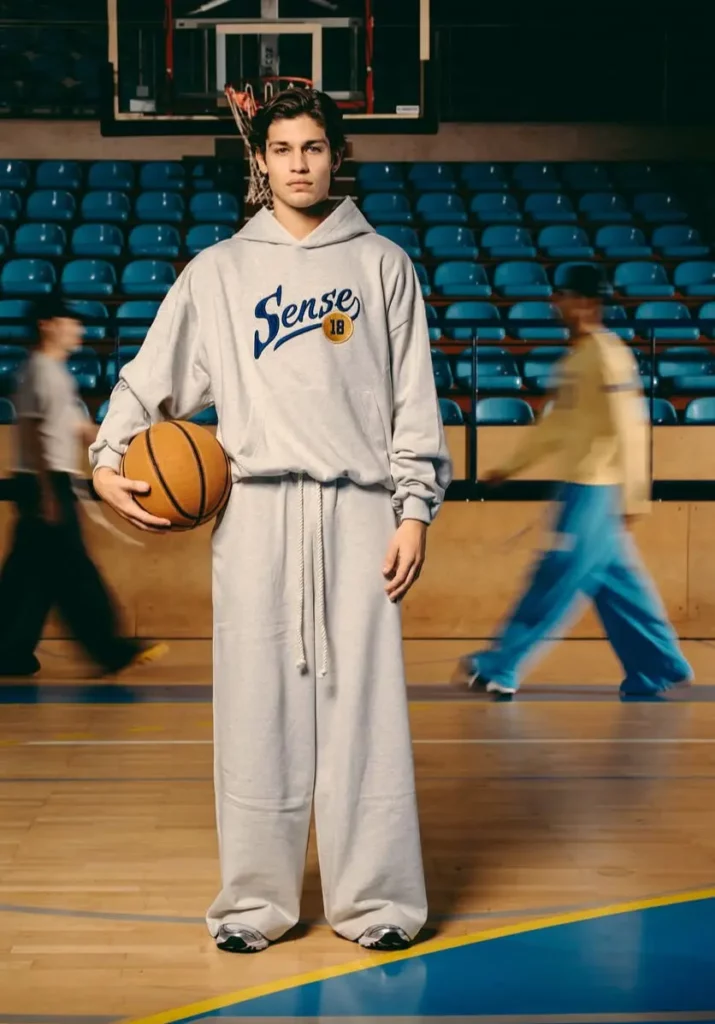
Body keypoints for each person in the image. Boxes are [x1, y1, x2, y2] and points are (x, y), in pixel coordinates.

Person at [90, 88, 452, 953]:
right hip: (252, 515)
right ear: (259, 161)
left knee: (365, 715)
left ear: (337, 157)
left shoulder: (382, 266)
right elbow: (150, 379)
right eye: (282, 147)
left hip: (361, 510)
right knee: (257, 716)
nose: (298, 162)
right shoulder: (218, 271)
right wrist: (108, 459)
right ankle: (255, 905)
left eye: (314, 146)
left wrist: (414, 510)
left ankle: (378, 904)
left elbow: (413, 404)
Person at [452, 263, 692, 700]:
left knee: (556, 576)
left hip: (597, 491)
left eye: (562, 295)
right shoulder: (578, 357)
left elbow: (631, 426)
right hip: (580, 488)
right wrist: (510, 466)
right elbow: (556, 427)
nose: (554, 302)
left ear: (585, 302)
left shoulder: (607, 354)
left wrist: (636, 495)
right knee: (619, 587)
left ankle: (501, 666)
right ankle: (658, 666)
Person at [0, 296, 167, 677]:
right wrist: (45, 491)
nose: (79, 329)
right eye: (70, 321)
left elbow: (80, 430)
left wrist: (135, 448)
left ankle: (9, 652)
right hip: (43, 484)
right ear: (48, 325)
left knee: (31, 578)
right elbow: (29, 431)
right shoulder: (38, 371)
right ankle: (111, 650)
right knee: (75, 572)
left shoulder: (56, 374)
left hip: (46, 484)